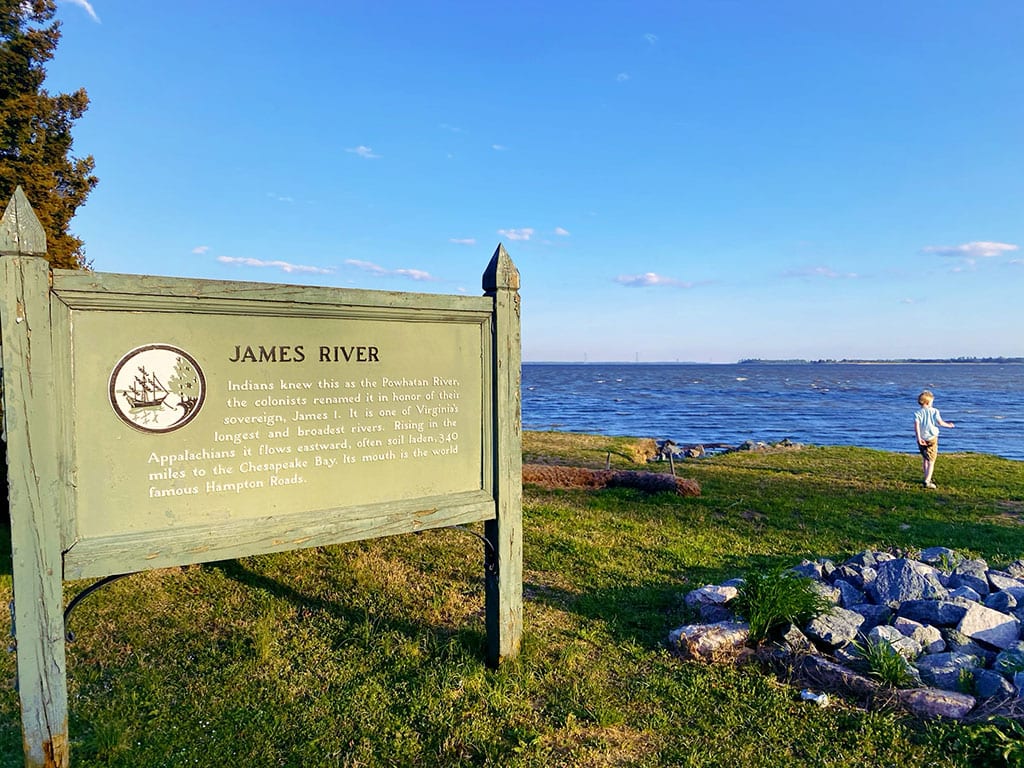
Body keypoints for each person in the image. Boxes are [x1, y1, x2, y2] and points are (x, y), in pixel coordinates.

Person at [914, 390, 954, 488]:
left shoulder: (917, 413)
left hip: (922, 438)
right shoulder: (935, 411)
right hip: (932, 438)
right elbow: (940, 422)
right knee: (931, 460)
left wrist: (919, 438)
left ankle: (926, 476)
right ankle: (927, 481)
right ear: (928, 402)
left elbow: (917, 427)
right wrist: (949, 425)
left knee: (925, 458)